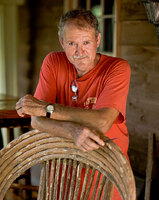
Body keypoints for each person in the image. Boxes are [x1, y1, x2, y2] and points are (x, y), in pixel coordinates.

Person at [16, 9, 131, 200]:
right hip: (62, 175)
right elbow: (36, 121)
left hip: (105, 173)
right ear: (62, 42)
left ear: (98, 40)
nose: (79, 52)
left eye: (86, 42)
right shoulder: (53, 62)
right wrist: (72, 131)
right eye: (72, 43)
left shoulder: (117, 68)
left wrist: (48, 109)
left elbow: (102, 122)